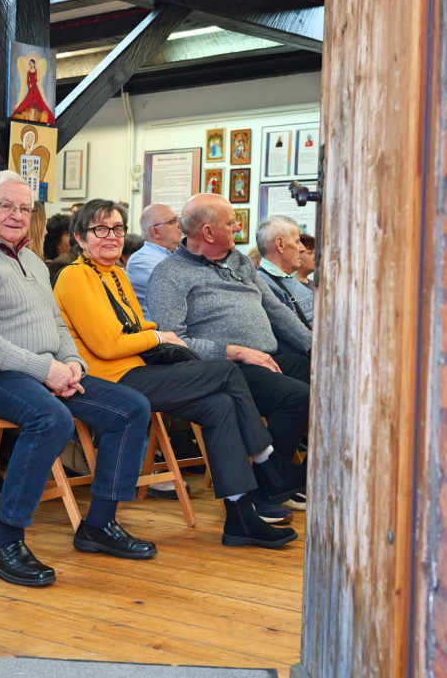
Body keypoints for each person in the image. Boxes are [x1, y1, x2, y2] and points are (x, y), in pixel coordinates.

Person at [53, 199, 304, 546]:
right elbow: (108, 346)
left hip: (138, 368)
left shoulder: (115, 274)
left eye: (117, 229)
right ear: (80, 238)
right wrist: (157, 335)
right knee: (226, 374)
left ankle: (241, 517)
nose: (111, 236)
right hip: (110, 378)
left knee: (220, 405)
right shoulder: (75, 276)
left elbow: (137, 327)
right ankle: (270, 464)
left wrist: (153, 333)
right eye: (100, 229)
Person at [0, 172, 157, 587]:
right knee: (52, 418)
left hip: (46, 373)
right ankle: (3, 543)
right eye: (5, 205)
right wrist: (46, 371)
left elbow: (58, 326)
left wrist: (72, 365)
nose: (17, 215)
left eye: (25, 207)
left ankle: (99, 525)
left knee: (131, 408)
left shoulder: (34, 261)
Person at [147, 193, 312, 511]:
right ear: (208, 232)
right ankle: (269, 486)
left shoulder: (239, 263)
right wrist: (234, 351)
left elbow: (275, 310)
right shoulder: (168, 275)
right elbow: (172, 342)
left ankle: (291, 479)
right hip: (227, 367)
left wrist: (312, 346)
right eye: (231, 222)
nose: (238, 227)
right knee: (298, 399)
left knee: (336, 388)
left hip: (268, 356)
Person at [256, 216, 314, 334]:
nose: (302, 249)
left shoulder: (292, 279)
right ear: (280, 244)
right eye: (297, 242)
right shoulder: (262, 285)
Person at [125, 203, 182, 320]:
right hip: (157, 334)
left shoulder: (178, 255)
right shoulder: (141, 260)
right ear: (155, 232)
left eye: (179, 220)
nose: (180, 226)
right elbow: (180, 291)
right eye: (172, 222)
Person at [11, 56, 55, 124]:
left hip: (34, 86)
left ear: (34, 64)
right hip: (30, 86)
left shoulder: (36, 71)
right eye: (30, 64)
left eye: (32, 64)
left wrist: (33, 83)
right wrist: (29, 84)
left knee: (38, 99)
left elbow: (35, 79)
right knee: (28, 98)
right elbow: (28, 80)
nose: (31, 65)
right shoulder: (29, 71)